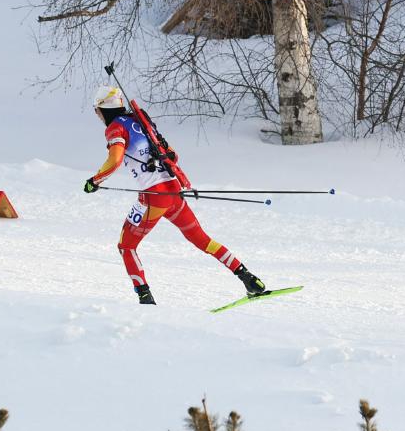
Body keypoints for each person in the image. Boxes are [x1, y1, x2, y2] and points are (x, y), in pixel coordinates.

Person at [84, 84, 268, 306]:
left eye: (97, 111)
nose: (97, 116)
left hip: (153, 197)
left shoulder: (115, 127)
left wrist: (94, 181)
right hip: (173, 190)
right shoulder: (140, 121)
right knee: (201, 239)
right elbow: (173, 155)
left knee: (126, 246)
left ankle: (146, 300)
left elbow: (114, 161)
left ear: (104, 109)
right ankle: (249, 279)